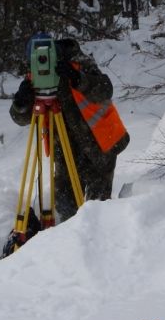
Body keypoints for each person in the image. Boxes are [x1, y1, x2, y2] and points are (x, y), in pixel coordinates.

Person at [9, 34, 129, 221]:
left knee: (98, 212)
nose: (43, 60)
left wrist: (77, 78)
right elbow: (20, 118)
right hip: (65, 153)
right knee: (67, 211)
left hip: (98, 147)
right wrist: (21, 102)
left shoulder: (78, 62)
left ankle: (100, 246)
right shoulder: (37, 73)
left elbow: (105, 89)